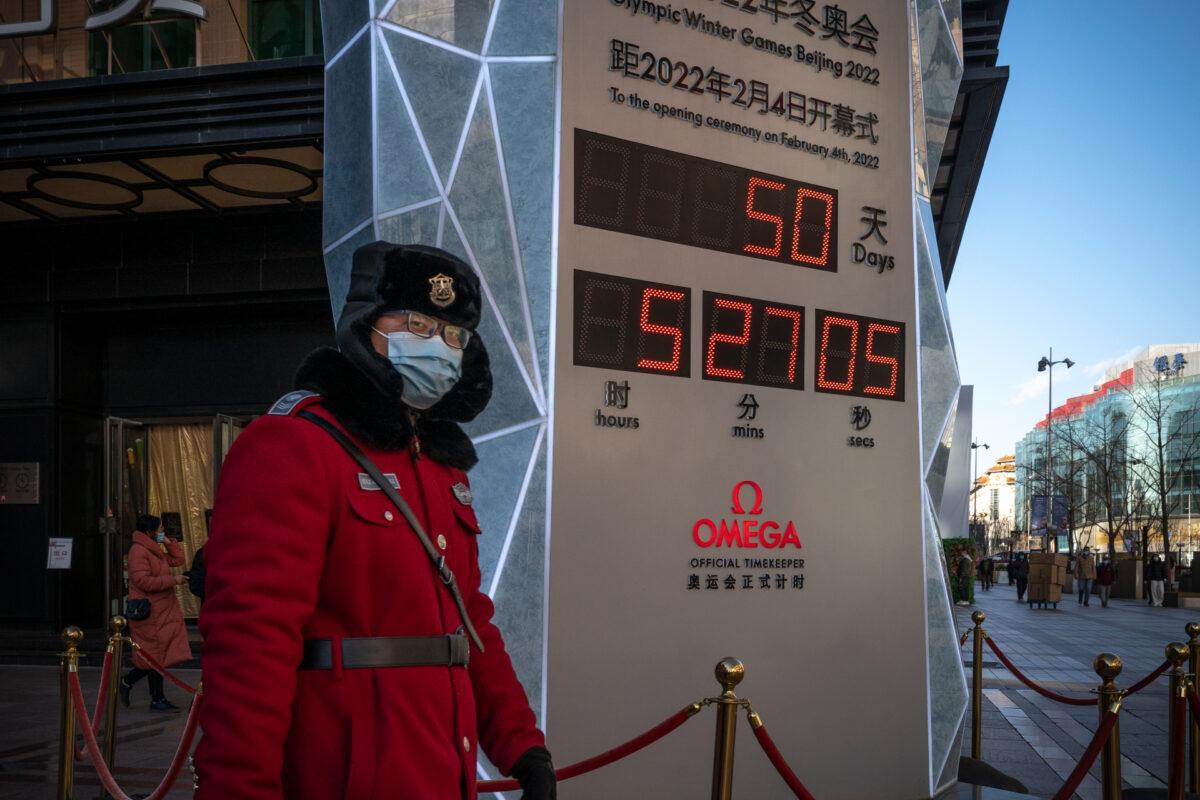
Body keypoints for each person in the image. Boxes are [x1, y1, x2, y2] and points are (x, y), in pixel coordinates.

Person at [194, 243, 555, 800]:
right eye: (415, 322)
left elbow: (469, 622)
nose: (438, 345)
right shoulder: (293, 444)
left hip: (440, 769)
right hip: (345, 778)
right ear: (366, 323)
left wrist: (521, 744)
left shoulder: (439, 465)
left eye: (454, 335)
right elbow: (251, 642)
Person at [119, 514, 190, 712]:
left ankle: (141, 689)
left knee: (157, 655)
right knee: (154, 656)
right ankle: (149, 694)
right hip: (149, 611)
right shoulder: (138, 551)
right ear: (149, 531)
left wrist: (167, 542)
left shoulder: (153, 549)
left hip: (161, 610)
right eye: (159, 530)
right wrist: (172, 581)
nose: (161, 532)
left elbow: (178, 559)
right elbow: (143, 581)